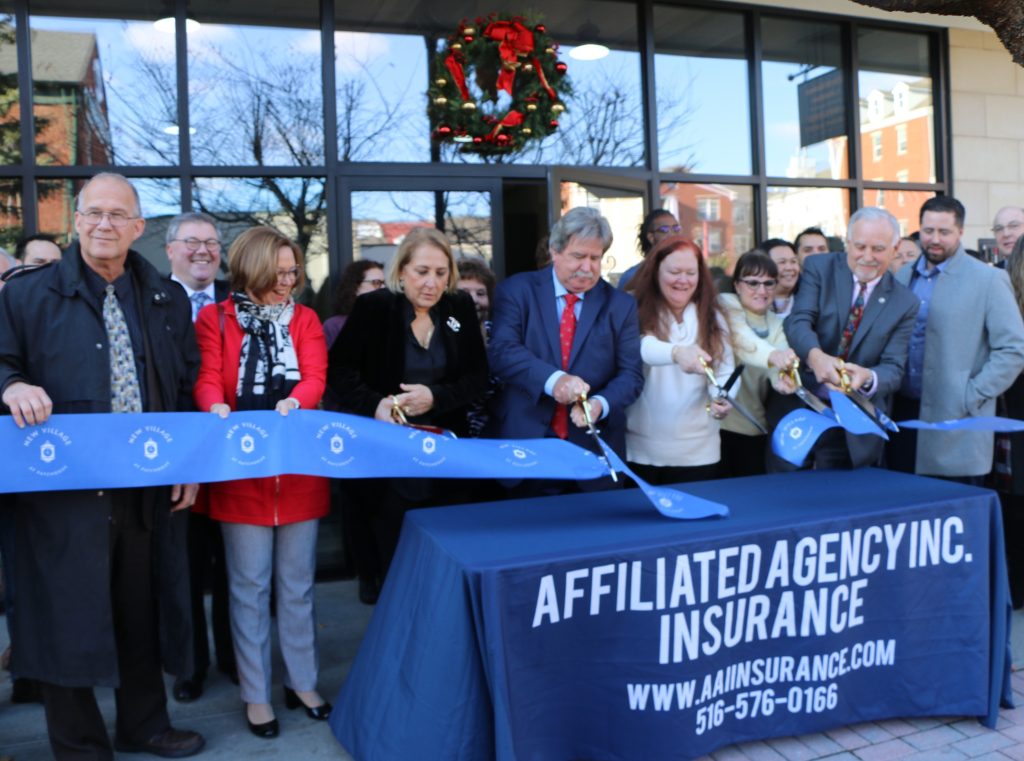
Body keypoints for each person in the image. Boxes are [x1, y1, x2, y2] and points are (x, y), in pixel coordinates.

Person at [0, 172, 204, 759]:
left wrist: (185, 464)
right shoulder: (25, 294)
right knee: (65, 615)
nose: (105, 224)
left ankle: (145, 725)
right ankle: (81, 745)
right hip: (60, 492)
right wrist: (11, 385)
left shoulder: (166, 298)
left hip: (144, 486)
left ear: (139, 228)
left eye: (119, 215)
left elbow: (185, 390)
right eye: (94, 213)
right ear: (77, 221)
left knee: (138, 610)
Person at [193, 226, 331, 738]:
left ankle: (303, 682)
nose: (287, 282)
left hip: (297, 472)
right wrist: (214, 406)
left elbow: (314, 374)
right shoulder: (215, 319)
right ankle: (256, 695)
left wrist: (298, 400)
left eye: (293, 271)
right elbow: (208, 375)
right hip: (240, 472)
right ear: (252, 268)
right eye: (279, 272)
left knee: (297, 589)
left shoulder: (307, 319)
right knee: (248, 590)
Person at [328, 227, 487, 572]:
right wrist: (376, 405)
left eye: (441, 273)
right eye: (422, 272)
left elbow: (477, 377)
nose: (431, 282)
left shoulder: (459, 306)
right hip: (388, 463)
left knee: (445, 561)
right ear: (401, 271)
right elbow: (339, 372)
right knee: (392, 560)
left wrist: (437, 397)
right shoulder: (373, 307)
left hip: (446, 461)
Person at [488, 206, 643, 490]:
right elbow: (502, 351)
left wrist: (599, 404)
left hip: (593, 451)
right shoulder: (517, 291)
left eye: (595, 258)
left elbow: (631, 375)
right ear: (554, 251)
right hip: (527, 447)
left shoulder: (620, 306)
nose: (587, 267)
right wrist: (554, 381)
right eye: (578, 256)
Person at [888, 196, 1024, 482]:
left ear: (960, 232)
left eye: (944, 232)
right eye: (928, 231)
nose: (934, 239)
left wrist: (972, 394)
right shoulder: (902, 277)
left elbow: (1013, 349)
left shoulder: (988, 280)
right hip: (902, 415)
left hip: (958, 421)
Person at [782, 207, 920, 470]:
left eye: (878, 248)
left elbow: (893, 367)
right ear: (847, 242)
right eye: (859, 246)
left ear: (896, 247)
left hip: (854, 423)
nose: (867, 257)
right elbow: (798, 321)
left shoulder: (905, 302)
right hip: (801, 407)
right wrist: (816, 357)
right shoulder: (819, 268)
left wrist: (867, 377)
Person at [164, 211, 235, 703]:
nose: (203, 251)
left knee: (234, 564)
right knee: (181, 565)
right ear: (170, 249)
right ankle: (188, 665)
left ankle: (235, 658)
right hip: (173, 453)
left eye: (211, 242)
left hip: (232, 455)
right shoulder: (147, 299)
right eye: (192, 242)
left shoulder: (238, 301)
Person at [625, 237, 735, 484]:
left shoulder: (714, 315)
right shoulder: (633, 309)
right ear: (655, 273)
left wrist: (724, 396)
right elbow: (642, 347)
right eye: (674, 272)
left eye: (690, 273)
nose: (683, 280)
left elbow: (725, 369)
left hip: (700, 454)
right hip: (640, 452)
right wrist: (677, 353)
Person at [718, 251, 797, 477]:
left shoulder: (777, 323)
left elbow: (778, 362)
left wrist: (783, 379)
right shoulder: (724, 304)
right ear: (737, 285)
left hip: (753, 428)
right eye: (752, 283)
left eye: (768, 283)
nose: (761, 291)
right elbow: (743, 341)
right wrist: (776, 358)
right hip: (716, 426)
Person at [322, 259, 385, 350]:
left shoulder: (392, 321)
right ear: (356, 286)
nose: (383, 288)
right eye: (376, 283)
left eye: (384, 283)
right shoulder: (334, 326)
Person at [618, 208, 680, 290]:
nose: (672, 234)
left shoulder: (690, 271)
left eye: (676, 228)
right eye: (664, 230)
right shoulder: (632, 276)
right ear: (651, 237)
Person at [761, 238, 800, 318]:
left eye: (793, 261)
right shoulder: (753, 302)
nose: (789, 268)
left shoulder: (807, 300)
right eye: (782, 262)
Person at [456, 257, 496, 331]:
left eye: (480, 293)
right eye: (464, 293)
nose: (474, 300)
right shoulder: (435, 334)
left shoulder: (498, 335)